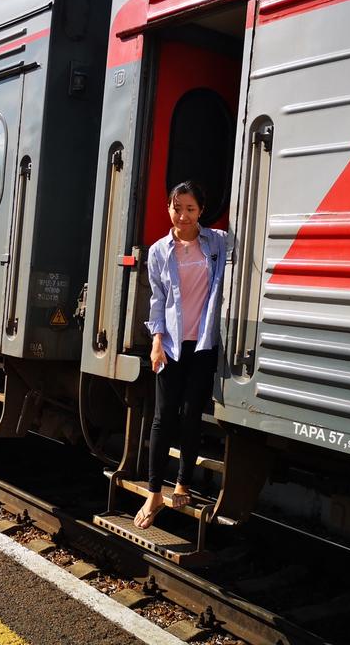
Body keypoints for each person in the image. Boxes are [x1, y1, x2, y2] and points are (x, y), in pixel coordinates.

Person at [134, 182, 227, 530]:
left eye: (190, 209)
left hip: (202, 344)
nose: (183, 215)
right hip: (171, 344)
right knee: (163, 417)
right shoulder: (160, 251)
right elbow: (157, 299)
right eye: (177, 208)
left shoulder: (217, 242)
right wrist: (156, 341)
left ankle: (183, 483)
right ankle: (154, 492)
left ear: (201, 211)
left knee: (190, 416)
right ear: (169, 209)